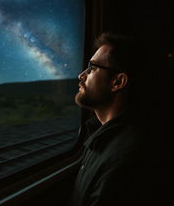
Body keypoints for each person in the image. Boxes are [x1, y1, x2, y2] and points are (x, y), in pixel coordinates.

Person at [69, 32, 171, 206]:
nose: (81, 75)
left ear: (118, 82)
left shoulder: (125, 161)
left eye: (92, 68)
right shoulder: (100, 135)